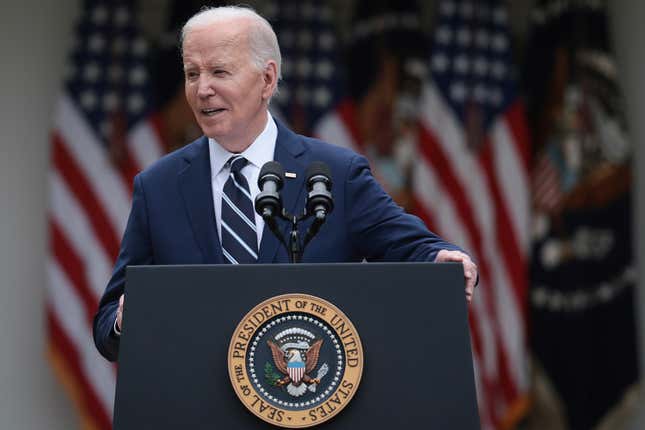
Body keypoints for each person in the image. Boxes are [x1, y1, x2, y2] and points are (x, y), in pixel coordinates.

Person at [93, 6, 478, 362]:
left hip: (304, 393)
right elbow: (108, 324)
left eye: (219, 72)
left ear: (267, 79)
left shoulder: (335, 174)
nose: (202, 89)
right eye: (193, 73)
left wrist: (443, 259)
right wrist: (126, 319)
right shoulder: (158, 186)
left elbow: (412, 246)